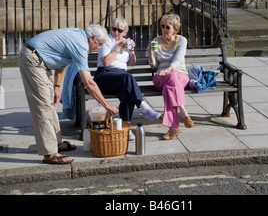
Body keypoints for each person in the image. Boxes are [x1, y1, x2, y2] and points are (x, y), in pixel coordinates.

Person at [18, 24, 118, 165]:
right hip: (32, 60)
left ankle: (56, 143)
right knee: (43, 107)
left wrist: (57, 87)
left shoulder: (79, 37)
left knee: (50, 105)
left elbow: (62, 60)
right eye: (99, 44)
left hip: (40, 61)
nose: (99, 48)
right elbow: (88, 82)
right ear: (92, 38)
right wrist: (106, 104)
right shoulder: (80, 44)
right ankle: (50, 153)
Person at [94, 17, 161, 140]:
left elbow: (131, 63)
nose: (117, 33)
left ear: (125, 32)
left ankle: (127, 128)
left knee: (127, 95)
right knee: (127, 77)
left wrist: (131, 51)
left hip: (120, 79)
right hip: (104, 76)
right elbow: (106, 63)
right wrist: (118, 47)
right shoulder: (107, 41)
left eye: (120, 30)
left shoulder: (126, 42)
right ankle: (142, 106)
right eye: (114, 29)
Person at [147, 13, 194, 140]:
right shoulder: (156, 41)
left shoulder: (181, 40)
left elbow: (178, 60)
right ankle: (183, 112)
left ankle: (174, 127)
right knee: (171, 81)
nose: (164, 29)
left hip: (179, 74)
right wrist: (150, 54)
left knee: (171, 83)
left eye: (168, 27)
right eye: (162, 26)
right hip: (160, 77)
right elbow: (153, 66)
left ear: (175, 29)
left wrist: (167, 71)